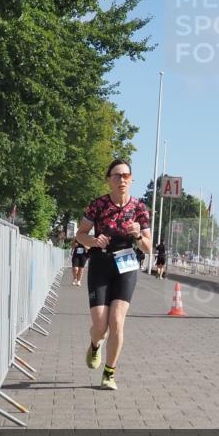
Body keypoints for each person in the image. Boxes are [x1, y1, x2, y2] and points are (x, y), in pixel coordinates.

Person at [74, 159, 151, 390]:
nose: (122, 180)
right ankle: (95, 344)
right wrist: (94, 240)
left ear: (132, 179)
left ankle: (109, 373)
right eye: (117, 176)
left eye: (126, 176)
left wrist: (138, 235)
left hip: (127, 263)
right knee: (100, 326)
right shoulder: (98, 205)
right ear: (109, 179)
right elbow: (80, 235)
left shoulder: (139, 208)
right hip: (100, 263)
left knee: (117, 321)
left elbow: (148, 247)